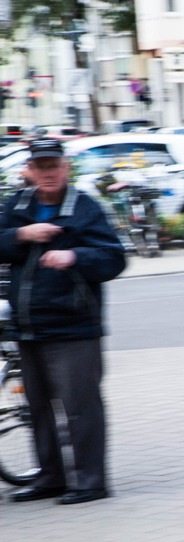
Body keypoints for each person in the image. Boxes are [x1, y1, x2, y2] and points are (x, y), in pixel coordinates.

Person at [1, 138, 126, 504]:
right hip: (27, 325)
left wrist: (74, 256)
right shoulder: (18, 206)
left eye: (53, 166)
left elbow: (113, 259)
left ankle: (90, 482)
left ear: (66, 168)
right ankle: (51, 477)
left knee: (80, 408)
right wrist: (22, 234)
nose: (48, 173)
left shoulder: (84, 208)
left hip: (73, 326)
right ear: (29, 171)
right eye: (40, 167)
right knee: (39, 410)